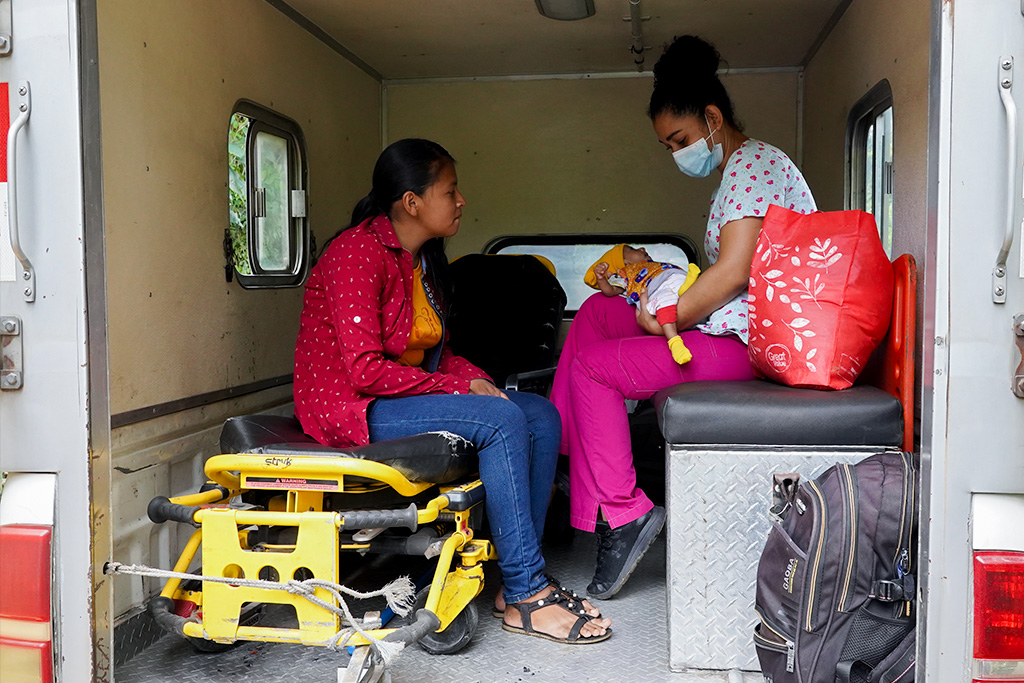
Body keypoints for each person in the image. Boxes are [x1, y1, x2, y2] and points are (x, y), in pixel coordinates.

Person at [293, 138, 611, 644]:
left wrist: (474, 379)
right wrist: (460, 389)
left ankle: (513, 581)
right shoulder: (356, 252)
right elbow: (364, 371)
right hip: (352, 408)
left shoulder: (423, 263)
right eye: (451, 191)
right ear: (411, 202)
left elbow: (436, 354)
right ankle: (528, 597)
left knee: (536, 414)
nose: (461, 201)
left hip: (398, 395)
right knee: (500, 420)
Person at [550, 35, 817, 600]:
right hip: (735, 329)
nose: (676, 154)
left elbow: (734, 275)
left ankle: (621, 514)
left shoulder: (753, 164)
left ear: (713, 118)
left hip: (752, 344)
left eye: (680, 140)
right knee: (598, 312)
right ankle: (570, 470)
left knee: (593, 370)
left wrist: (665, 314)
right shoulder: (745, 168)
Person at [584, 243, 701, 364]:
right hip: (656, 289)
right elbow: (611, 291)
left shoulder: (655, 264)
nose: (642, 249)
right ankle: (674, 342)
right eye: (632, 249)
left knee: (696, 290)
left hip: (674, 277)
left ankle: (685, 288)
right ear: (625, 262)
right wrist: (601, 278)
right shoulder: (624, 273)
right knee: (665, 305)